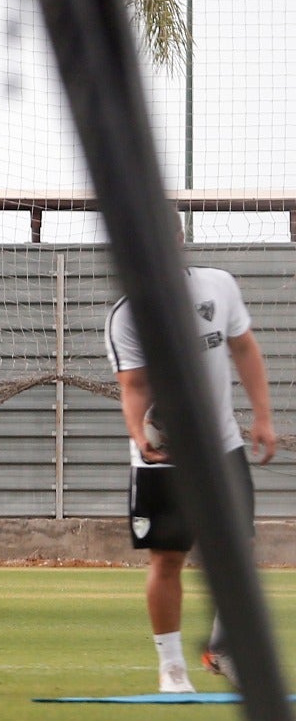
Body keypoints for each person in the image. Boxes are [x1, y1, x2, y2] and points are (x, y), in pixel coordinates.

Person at [106, 260, 276, 693]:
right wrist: (141, 439)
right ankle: (172, 668)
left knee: (240, 551)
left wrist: (262, 418)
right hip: (163, 458)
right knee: (167, 560)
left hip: (222, 448)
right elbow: (134, 386)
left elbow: (243, 348)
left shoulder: (219, 285)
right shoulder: (128, 314)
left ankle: (222, 649)